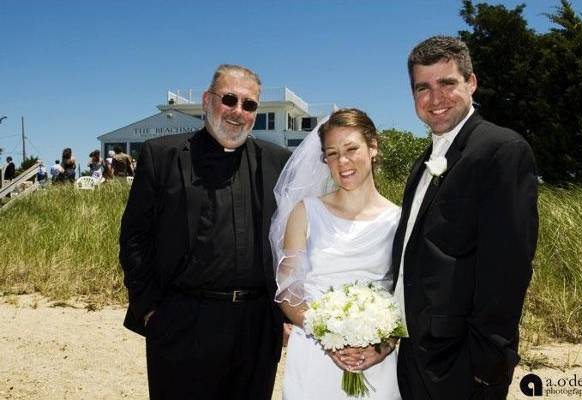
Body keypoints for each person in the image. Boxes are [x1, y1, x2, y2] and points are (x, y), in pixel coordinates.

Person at [119, 64, 290, 400]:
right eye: (229, 100)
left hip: (255, 326)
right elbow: (135, 238)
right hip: (182, 321)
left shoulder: (277, 161)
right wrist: (150, 308)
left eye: (249, 105)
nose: (238, 112)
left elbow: (293, 240)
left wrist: (286, 312)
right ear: (207, 100)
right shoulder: (161, 155)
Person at [392, 36, 538, 400]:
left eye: (447, 83)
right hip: (415, 353)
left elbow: (507, 269)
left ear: (471, 83)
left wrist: (486, 367)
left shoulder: (502, 150)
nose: (435, 98)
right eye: (422, 88)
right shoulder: (423, 161)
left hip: (462, 363)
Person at [271, 108, 402, 399]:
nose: (342, 161)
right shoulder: (305, 212)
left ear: (373, 147)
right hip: (315, 355)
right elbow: (288, 291)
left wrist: (385, 344)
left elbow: (405, 295)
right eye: (331, 153)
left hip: (374, 360)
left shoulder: (398, 220)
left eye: (351, 148)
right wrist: (326, 334)